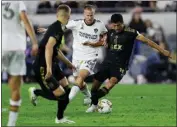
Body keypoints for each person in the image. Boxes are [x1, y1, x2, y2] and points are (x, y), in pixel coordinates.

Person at [84, 14, 173, 112]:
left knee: (111, 83)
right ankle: (94, 105)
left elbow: (148, 42)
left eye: (118, 25)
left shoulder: (131, 32)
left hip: (120, 65)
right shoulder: (110, 32)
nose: (116, 28)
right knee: (95, 86)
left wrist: (163, 51)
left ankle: (92, 99)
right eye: (114, 25)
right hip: (107, 62)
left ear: (122, 23)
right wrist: (91, 44)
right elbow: (102, 43)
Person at [37, 4, 108, 105]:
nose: (89, 17)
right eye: (87, 15)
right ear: (84, 14)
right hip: (77, 58)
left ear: (94, 14)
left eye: (91, 15)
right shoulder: (76, 23)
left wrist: (104, 39)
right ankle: (88, 96)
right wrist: (49, 31)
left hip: (90, 57)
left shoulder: (99, 24)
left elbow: (105, 33)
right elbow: (61, 26)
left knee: (79, 80)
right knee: (78, 81)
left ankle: (66, 101)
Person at [28, 4, 75, 124]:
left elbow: (56, 50)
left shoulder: (56, 27)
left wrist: (68, 63)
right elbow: (49, 48)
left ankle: (60, 116)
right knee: (60, 96)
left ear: (57, 15)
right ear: (68, 17)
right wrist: (49, 70)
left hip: (52, 64)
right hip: (42, 66)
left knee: (66, 89)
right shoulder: (58, 29)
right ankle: (37, 93)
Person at [2, 1, 38, 126]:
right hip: (16, 46)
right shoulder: (18, 2)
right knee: (16, 86)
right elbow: (25, 19)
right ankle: (11, 124)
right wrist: (34, 42)